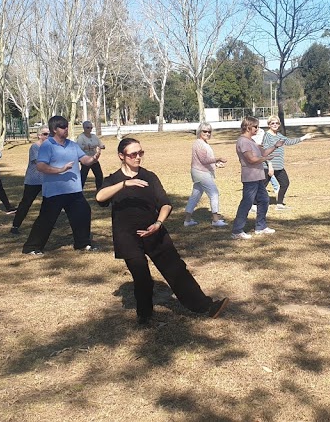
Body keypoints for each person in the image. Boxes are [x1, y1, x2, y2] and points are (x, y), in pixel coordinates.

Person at [96, 137, 230, 325]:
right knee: (141, 276)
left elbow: (165, 204)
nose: (138, 157)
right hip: (127, 237)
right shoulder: (113, 180)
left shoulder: (149, 176)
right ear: (121, 156)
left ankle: (205, 306)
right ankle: (145, 317)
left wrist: (158, 223)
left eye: (140, 153)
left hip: (154, 230)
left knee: (176, 269)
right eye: (133, 154)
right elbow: (100, 198)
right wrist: (125, 184)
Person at [22, 115, 102, 255]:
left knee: (83, 213)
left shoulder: (72, 145)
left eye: (67, 126)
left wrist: (94, 158)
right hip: (54, 192)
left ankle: (82, 243)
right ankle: (31, 247)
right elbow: (41, 166)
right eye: (63, 127)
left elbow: (85, 160)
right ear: (54, 129)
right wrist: (60, 170)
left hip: (74, 190)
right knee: (46, 220)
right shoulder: (47, 146)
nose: (66, 129)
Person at [231, 116, 284, 240]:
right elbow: (251, 159)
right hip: (250, 177)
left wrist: (275, 146)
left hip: (258, 177)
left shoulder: (251, 141)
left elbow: (263, 153)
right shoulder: (243, 141)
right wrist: (265, 159)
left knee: (264, 200)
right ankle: (237, 231)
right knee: (247, 203)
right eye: (256, 126)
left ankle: (261, 227)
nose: (257, 129)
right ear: (248, 127)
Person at [261, 115, 313, 210]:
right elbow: (265, 151)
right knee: (261, 186)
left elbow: (289, 141)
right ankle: (254, 205)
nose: (275, 125)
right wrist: (270, 166)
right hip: (268, 166)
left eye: (277, 123)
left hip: (279, 166)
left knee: (285, 183)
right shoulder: (267, 135)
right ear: (269, 125)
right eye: (272, 123)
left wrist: (303, 138)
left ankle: (280, 204)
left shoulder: (279, 135)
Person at [184, 122, 228, 227]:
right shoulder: (198, 143)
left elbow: (205, 160)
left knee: (195, 196)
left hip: (201, 172)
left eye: (209, 131)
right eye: (205, 131)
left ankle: (187, 220)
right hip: (201, 173)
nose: (207, 133)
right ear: (199, 131)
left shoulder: (203, 143)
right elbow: (204, 160)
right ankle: (215, 220)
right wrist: (218, 158)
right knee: (214, 194)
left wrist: (216, 164)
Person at [10, 126, 50, 235]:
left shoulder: (51, 147)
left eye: (49, 134)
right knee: (26, 203)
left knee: (48, 203)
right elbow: (40, 163)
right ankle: (15, 225)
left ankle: (44, 224)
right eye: (45, 134)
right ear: (39, 135)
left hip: (47, 180)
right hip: (33, 180)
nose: (48, 136)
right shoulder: (35, 147)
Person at [76, 120, 105, 191]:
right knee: (83, 176)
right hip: (85, 159)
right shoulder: (81, 137)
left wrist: (101, 147)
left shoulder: (94, 136)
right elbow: (79, 147)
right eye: (88, 127)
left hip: (94, 159)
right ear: (84, 128)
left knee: (99, 176)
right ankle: (78, 190)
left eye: (91, 127)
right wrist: (90, 147)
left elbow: (101, 145)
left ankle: (99, 190)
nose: (90, 129)